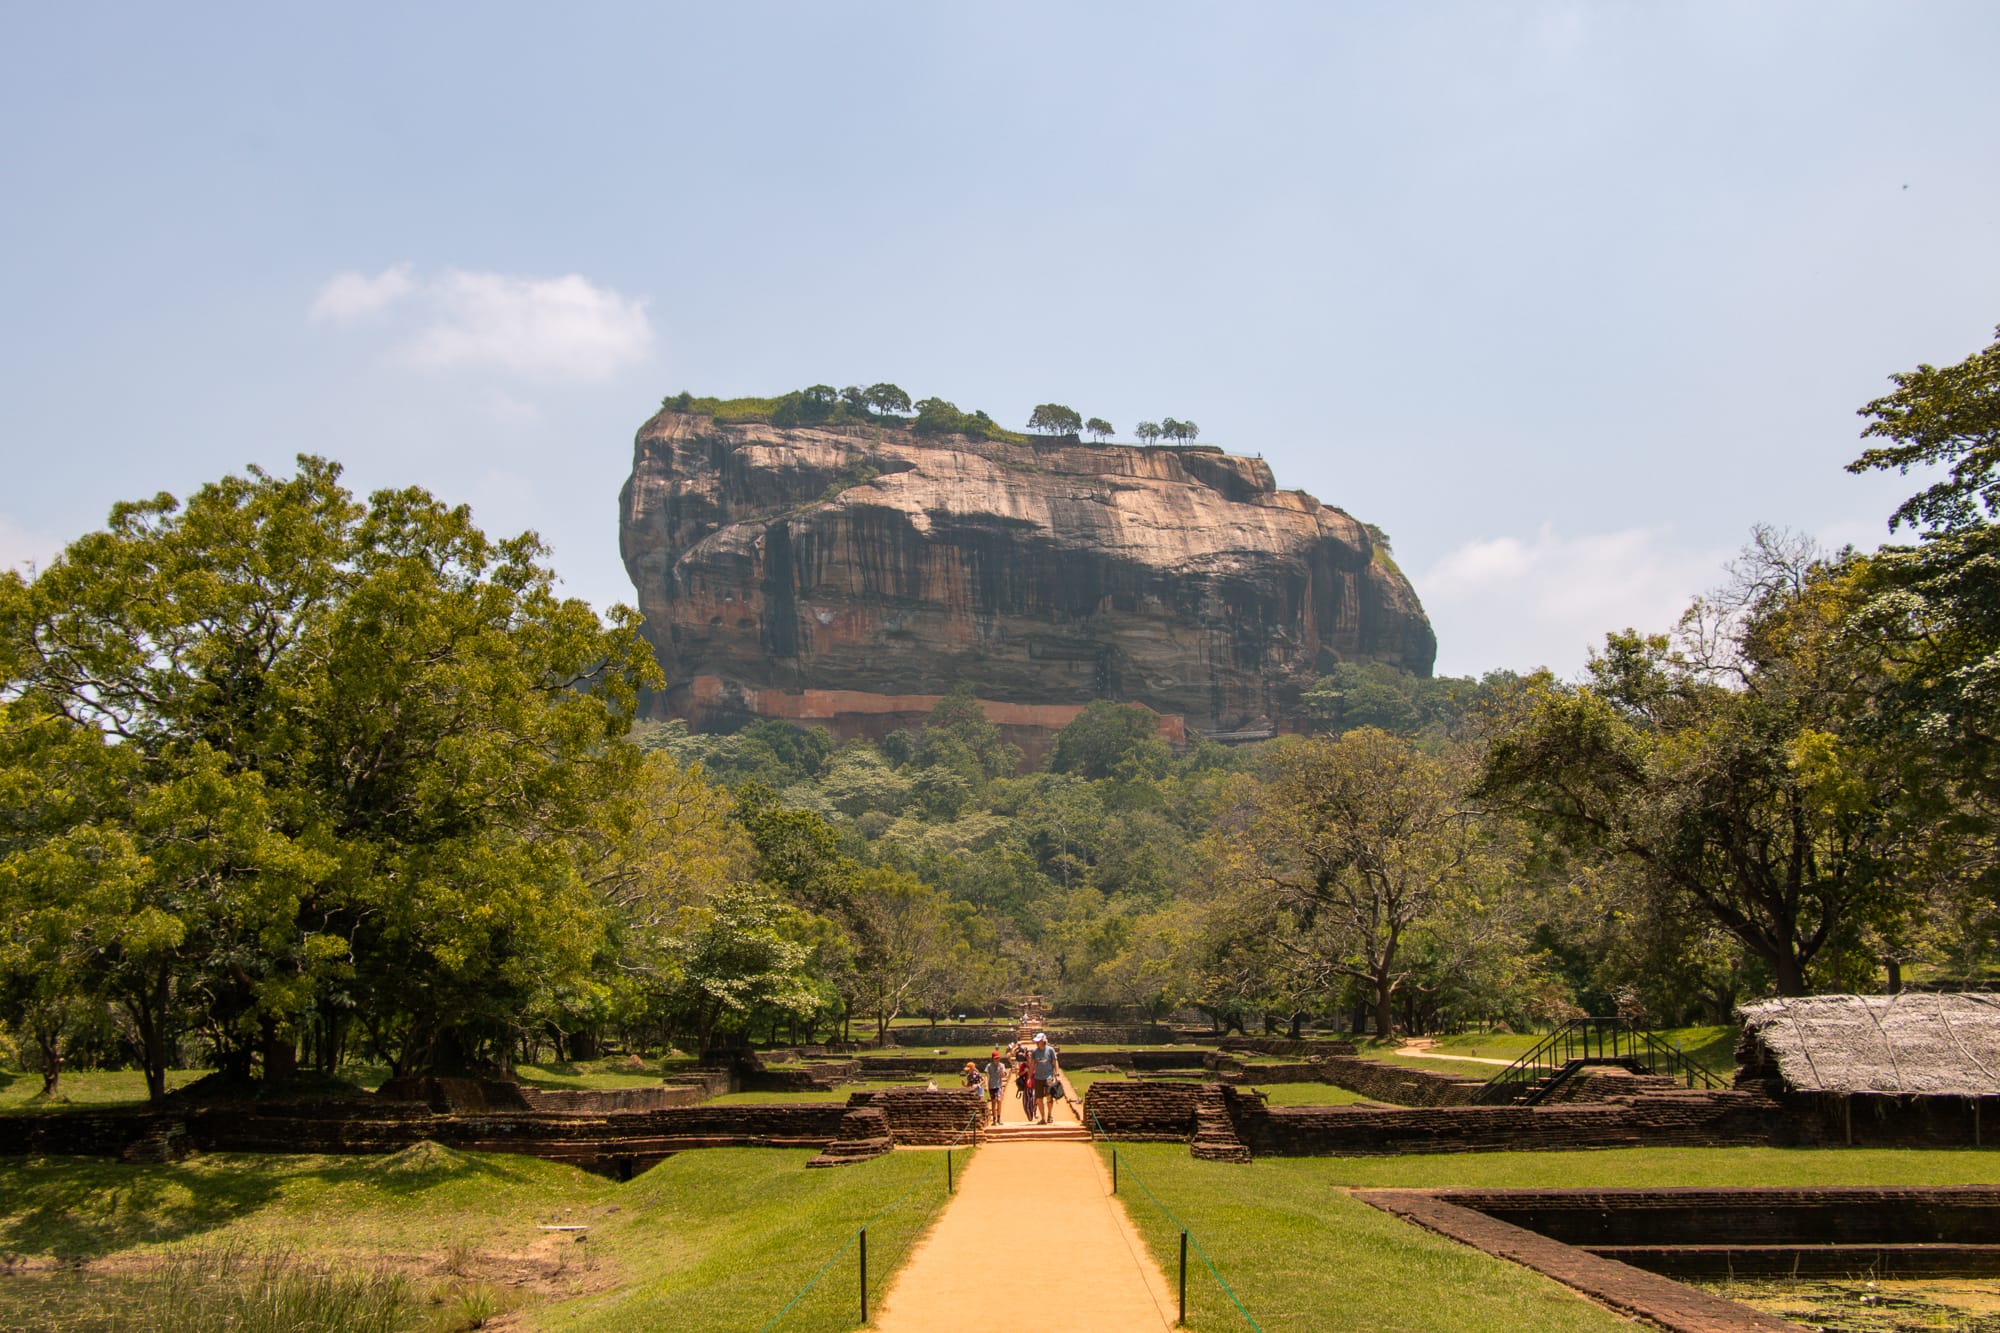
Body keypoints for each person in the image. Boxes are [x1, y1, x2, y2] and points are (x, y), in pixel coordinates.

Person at [1030, 1032, 1061, 1124]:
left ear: (1043, 1041)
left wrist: (1057, 1074)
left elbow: (1055, 1062)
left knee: (1049, 1096)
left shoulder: (1050, 1050)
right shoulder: (1035, 1052)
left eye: (1038, 1041)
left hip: (1049, 1077)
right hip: (1038, 1077)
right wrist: (1029, 1077)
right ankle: (1043, 1118)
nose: (1037, 1043)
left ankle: (1050, 1115)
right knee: (1039, 1098)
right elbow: (1032, 1065)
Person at [984, 1050, 1006, 1124]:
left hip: (999, 1085)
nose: (997, 1060)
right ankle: (994, 1119)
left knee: (999, 1101)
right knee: (994, 1102)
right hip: (992, 1086)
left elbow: (1003, 1076)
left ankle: (999, 1118)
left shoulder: (1002, 1065)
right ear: (993, 1058)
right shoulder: (989, 1066)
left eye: (998, 1058)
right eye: (995, 1058)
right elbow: (986, 1076)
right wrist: (986, 1085)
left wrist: (1001, 1070)